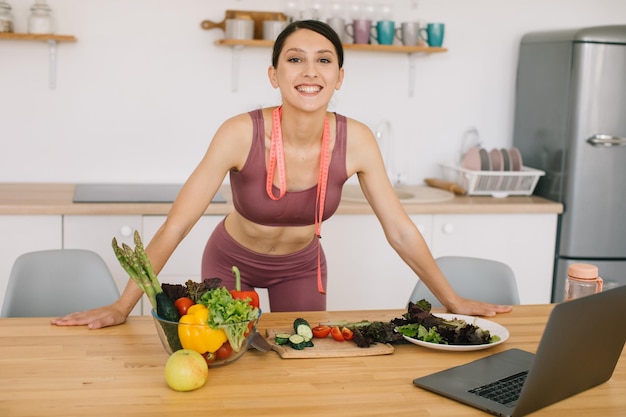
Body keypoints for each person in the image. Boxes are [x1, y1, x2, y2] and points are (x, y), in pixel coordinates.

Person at [52, 20, 512, 329]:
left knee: (299, 358)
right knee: (232, 361)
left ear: (339, 76)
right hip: (231, 264)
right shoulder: (239, 133)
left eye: (323, 60)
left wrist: (453, 301)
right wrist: (121, 305)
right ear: (274, 74)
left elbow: (400, 231)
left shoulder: (359, 141)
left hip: (303, 269)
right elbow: (177, 225)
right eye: (295, 59)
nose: (309, 71)